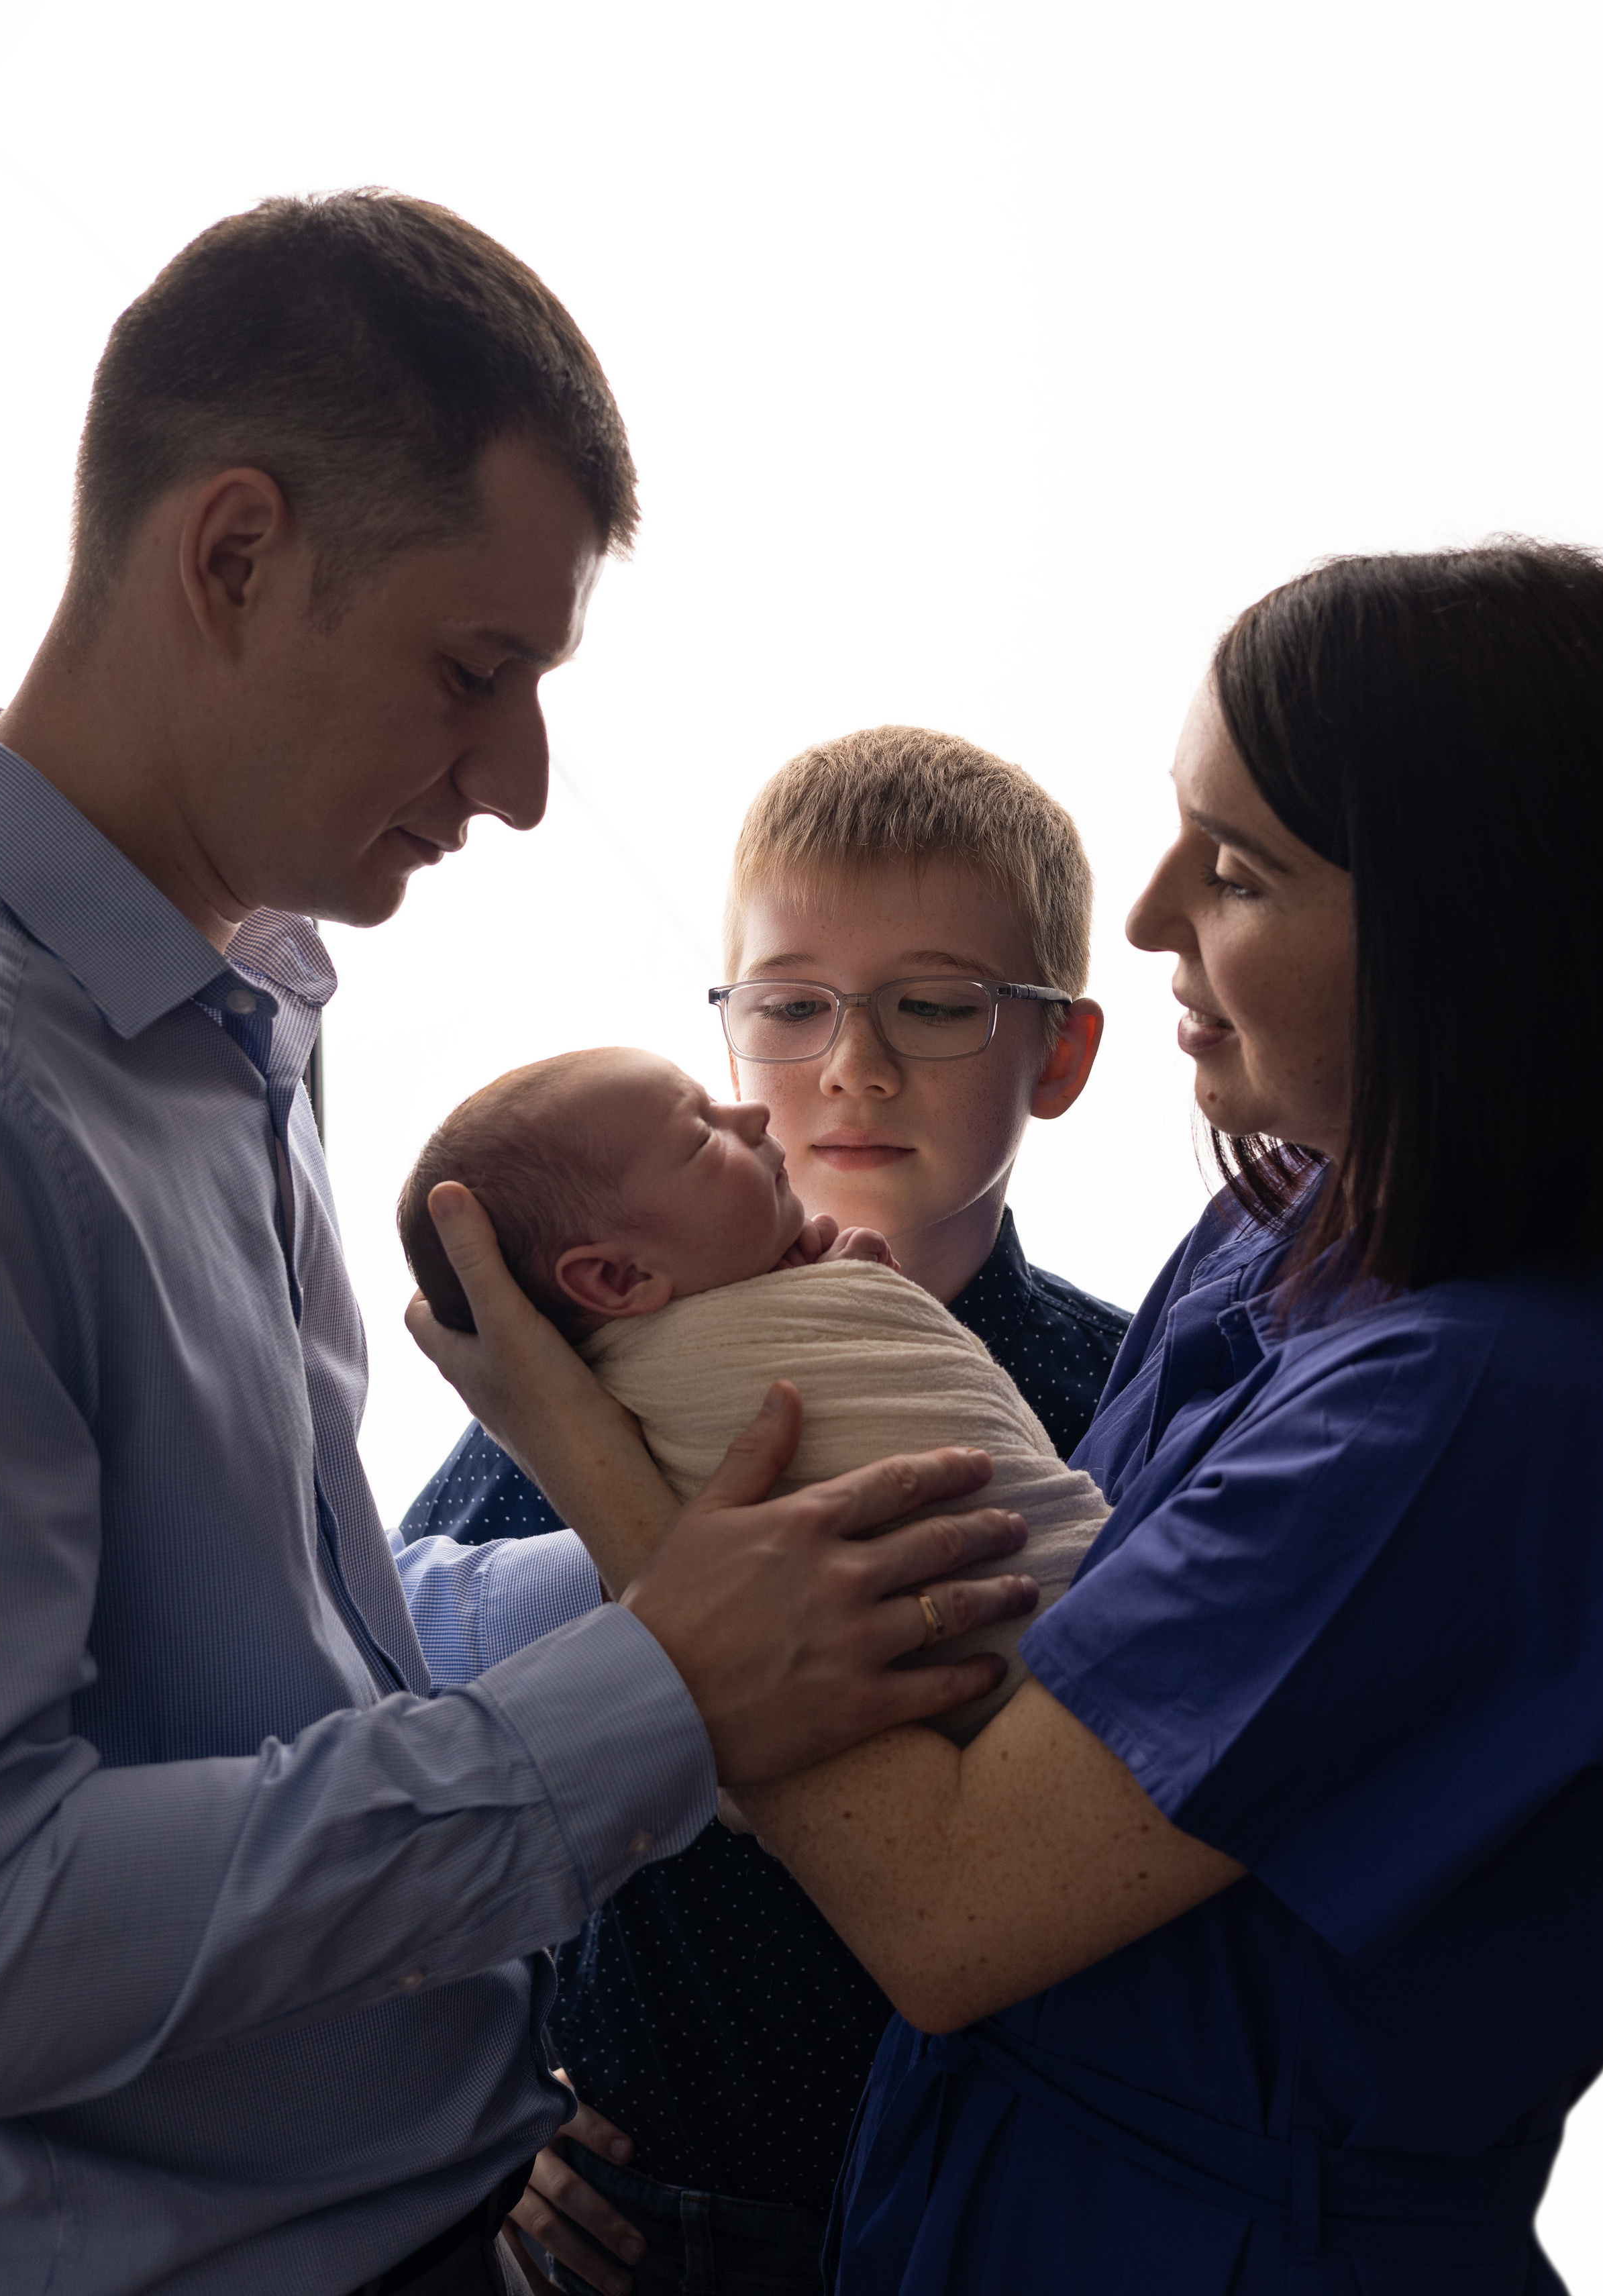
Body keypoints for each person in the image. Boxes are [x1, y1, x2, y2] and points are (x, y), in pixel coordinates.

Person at [0, 195, 1035, 2296]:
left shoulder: (227, 1005)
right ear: (234, 554)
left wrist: (673, 1552)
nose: (527, 785)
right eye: (477, 671)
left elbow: (262, 1665)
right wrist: (661, 1693)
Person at [413, 545, 1603, 2295]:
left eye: (1236, 870)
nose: (1150, 918)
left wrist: (592, 1461)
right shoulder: (1281, 1229)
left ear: (1480, 942)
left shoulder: (1475, 1413)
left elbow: (946, 1914)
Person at [401, 729, 1131, 2291]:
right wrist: (477, 2104)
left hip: (1015, 2207)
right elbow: (400, 1709)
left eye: (933, 1005)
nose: (851, 1066)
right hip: (655, 2204)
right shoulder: (588, 1388)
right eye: (791, 1007)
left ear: (1057, 1057)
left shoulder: (1121, 1390)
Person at [398, 1046, 1107, 1735]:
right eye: (702, 1136)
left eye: (935, 1012)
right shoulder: (549, 1427)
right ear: (619, 1279)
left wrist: (848, 1298)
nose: (753, 1114)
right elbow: (404, 1653)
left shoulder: (1102, 1366)